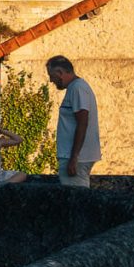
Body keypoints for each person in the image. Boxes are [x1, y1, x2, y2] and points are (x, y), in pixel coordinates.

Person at [46, 55, 101, 187]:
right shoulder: (76, 87)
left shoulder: (77, 88)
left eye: (52, 75)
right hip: (76, 155)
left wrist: (74, 157)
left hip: (76, 157)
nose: (51, 80)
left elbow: (82, 122)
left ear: (60, 73)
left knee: (76, 198)